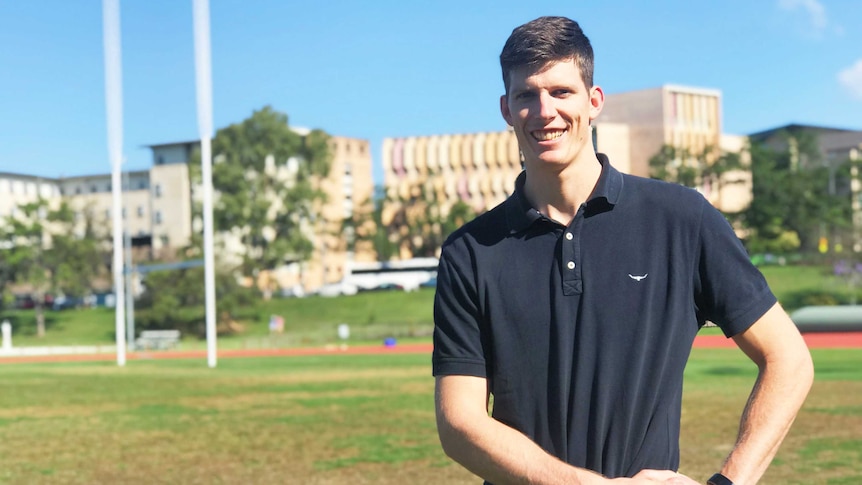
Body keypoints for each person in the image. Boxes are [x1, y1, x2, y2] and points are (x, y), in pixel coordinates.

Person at [432, 16, 813, 485]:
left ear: (594, 103)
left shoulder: (681, 219)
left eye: (561, 92)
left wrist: (728, 482)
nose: (544, 110)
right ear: (507, 110)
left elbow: (787, 359)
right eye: (526, 94)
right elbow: (459, 424)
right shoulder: (470, 251)